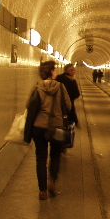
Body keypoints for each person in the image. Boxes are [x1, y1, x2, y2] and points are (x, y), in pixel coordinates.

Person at [24, 60, 72, 199]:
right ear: (51, 72)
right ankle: (52, 180)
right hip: (56, 126)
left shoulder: (37, 87)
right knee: (55, 155)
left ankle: (42, 190)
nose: (56, 71)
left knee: (40, 158)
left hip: (39, 127)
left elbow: (30, 105)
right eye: (55, 69)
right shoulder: (61, 87)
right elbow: (68, 106)